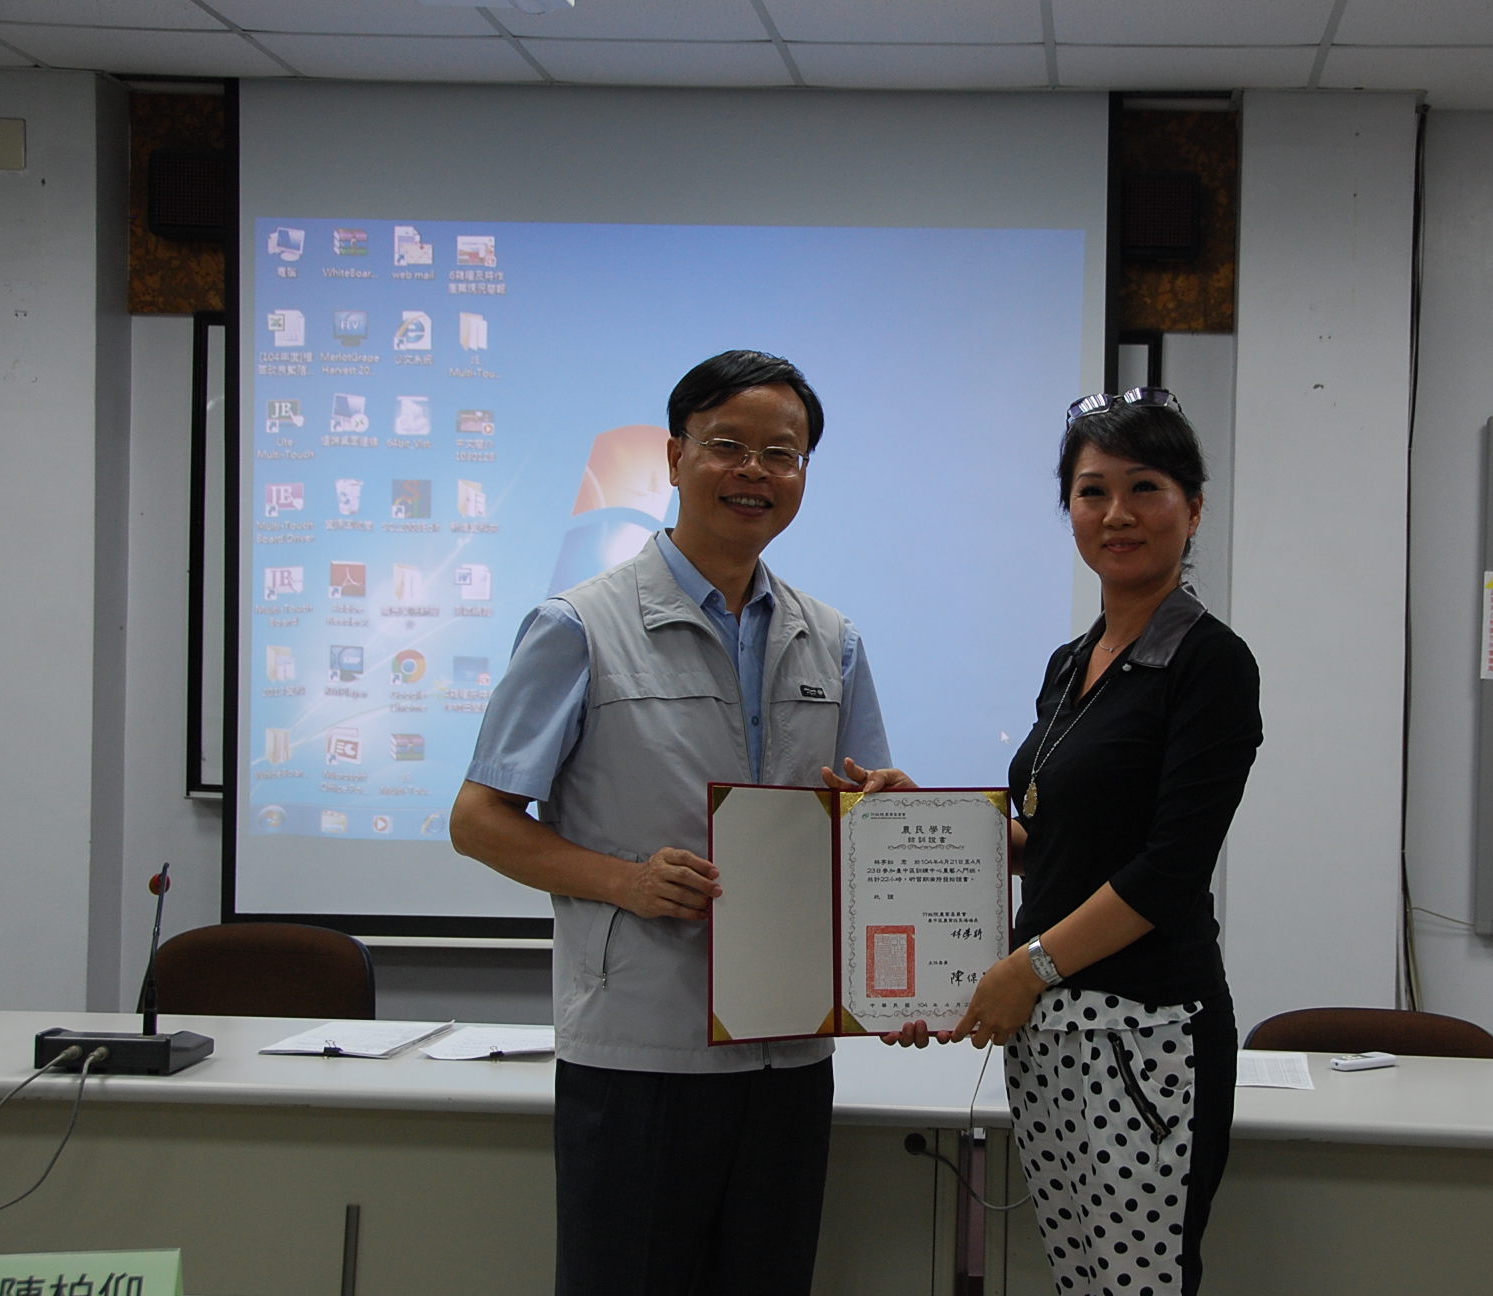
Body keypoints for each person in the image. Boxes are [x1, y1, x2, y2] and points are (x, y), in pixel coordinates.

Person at [450, 350, 909, 1296]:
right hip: (640, 1053)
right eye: (727, 446)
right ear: (672, 456)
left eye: (782, 454)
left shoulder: (834, 637)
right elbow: (479, 819)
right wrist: (624, 879)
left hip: (788, 1049)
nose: (755, 472)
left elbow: (858, 810)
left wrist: (887, 820)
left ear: (804, 475)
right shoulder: (580, 626)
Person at [887, 387, 1262, 1296]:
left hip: (1148, 1034)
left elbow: (1168, 872)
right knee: (1078, 1280)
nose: (1117, 514)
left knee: (1138, 1286)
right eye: (1092, 492)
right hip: (1048, 1030)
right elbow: (1055, 838)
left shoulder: (1211, 662)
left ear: (1194, 506)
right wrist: (919, 825)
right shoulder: (1073, 660)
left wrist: (1028, 967)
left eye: (1146, 487)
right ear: (1070, 511)